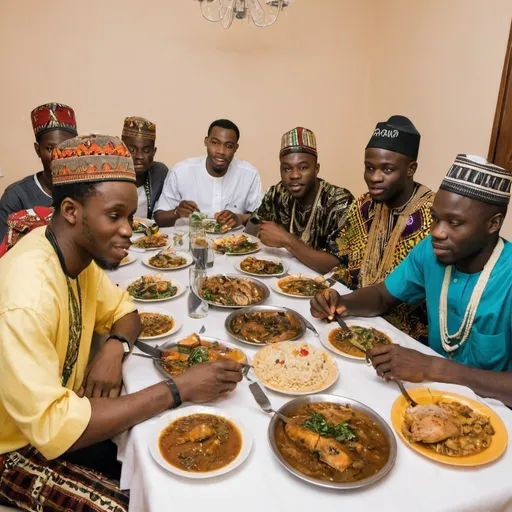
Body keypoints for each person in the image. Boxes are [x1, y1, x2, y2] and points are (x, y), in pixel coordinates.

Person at [0, 134, 242, 511]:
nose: (129, 229)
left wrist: (116, 347)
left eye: (130, 216)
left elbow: (126, 311)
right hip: (14, 446)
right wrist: (179, 388)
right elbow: (53, 428)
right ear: (70, 211)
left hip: (66, 410)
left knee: (171, 468)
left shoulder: (76, 257)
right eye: (115, 216)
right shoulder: (27, 298)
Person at [311, 154, 512, 406]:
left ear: (494, 224)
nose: (437, 232)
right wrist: (341, 301)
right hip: (427, 395)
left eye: (455, 223)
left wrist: (433, 368)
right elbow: (384, 297)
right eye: (436, 218)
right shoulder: (431, 251)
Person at [332, 115, 435, 341]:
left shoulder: (433, 217)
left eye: (387, 170)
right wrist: (329, 294)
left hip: (408, 338)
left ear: (411, 169)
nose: (374, 178)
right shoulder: (363, 205)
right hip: (354, 315)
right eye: (369, 168)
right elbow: (344, 262)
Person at [247, 127, 353, 274]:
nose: (294, 175)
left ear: (316, 169)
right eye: (287, 169)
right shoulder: (279, 192)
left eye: (303, 167)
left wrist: (286, 240)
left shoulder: (339, 202)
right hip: (284, 278)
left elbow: (337, 265)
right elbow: (253, 226)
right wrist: (253, 225)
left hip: (326, 289)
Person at [154, 119, 262, 228]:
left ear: (236, 148)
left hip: (232, 243)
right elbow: (159, 218)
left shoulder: (249, 174)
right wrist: (177, 213)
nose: (221, 151)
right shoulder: (181, 171)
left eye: (228, 146)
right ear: (206, 142)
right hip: (188, 242)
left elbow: (260, 217)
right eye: (215, 143)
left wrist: (239, 218)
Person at [0, 102, 78, 238]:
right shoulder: (17, 196)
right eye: (50, 148)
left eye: (66, 148)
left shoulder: (85, 190)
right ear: (38, 150)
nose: (58, 155)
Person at [121, 116, 168, 219]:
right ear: (122, 149)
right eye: (132, 150)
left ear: (154, 152)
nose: (139, 156)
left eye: (146, 151)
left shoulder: (159, 173)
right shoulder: (108, 173)